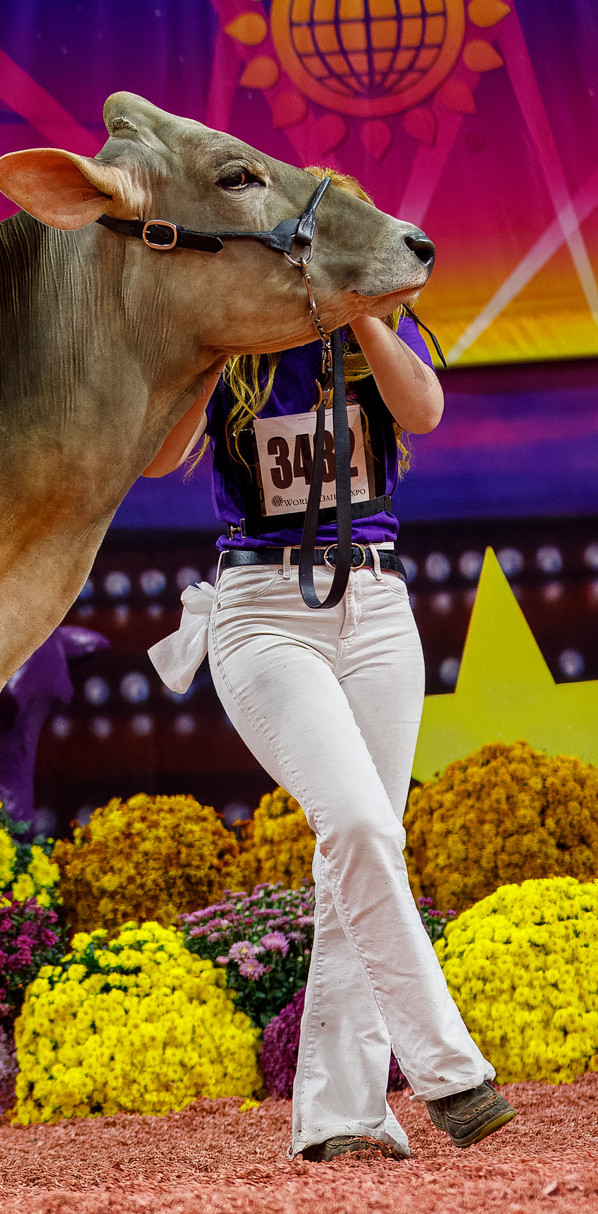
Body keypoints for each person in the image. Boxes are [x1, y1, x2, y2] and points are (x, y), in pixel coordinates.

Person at [144, 168, 515, 1163]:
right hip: (263, 613)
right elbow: (158, 455)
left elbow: (424, 411)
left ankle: (341, 1116)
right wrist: (212, 343)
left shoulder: (370, 340)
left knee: (360, 851)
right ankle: (450, 1071)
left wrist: (364, 319)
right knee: (354, 824)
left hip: (379, 608)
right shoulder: (233, 353)